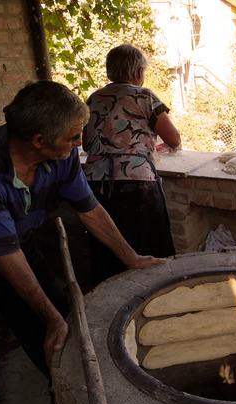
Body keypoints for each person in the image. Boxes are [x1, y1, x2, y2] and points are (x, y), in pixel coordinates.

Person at [0, 80, 165, 404]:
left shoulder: (61, 157)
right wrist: (50, 317)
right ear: (39, 141)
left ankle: (61, 387)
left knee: (61, 325)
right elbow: (6, 257)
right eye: (74, 137)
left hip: (17, 240)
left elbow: (89, 209)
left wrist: (131, 257)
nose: (81, 142)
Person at [83, 44, 181, 286]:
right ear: (139, 72)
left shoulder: (93, 99)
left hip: (96, 186)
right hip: (137, 185)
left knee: (108, 252)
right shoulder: (145, 96)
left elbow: (86, 143)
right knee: (149, 247)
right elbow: (174, 140)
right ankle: (152, 297)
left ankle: (109, 303)